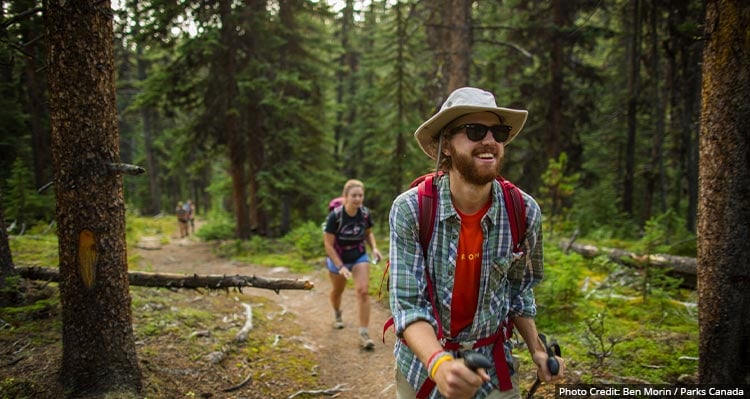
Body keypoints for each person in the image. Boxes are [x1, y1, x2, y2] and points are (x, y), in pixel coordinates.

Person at [388, 87, 565, 399]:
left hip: (494, 369)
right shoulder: (411, 210)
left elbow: (519, 292)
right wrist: (440, 364)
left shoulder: (524, 212)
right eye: (474, 130)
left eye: (498, 132)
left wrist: (538, 350)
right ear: (445, 145)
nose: (490, 141)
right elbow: (408, 305)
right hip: (423, 368)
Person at [323, 179, 383, 350]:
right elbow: (328, 244)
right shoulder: (335, 216)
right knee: (337, 291)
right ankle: (337, 313)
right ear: (345, 197)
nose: (357, 199)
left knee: (363, 291)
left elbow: (368, 234)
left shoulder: (364, 214)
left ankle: (364, 334)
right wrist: (340, 266)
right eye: (354, 195)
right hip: (338, 257)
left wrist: (375, 249)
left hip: (358, 255)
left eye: (360, 195)